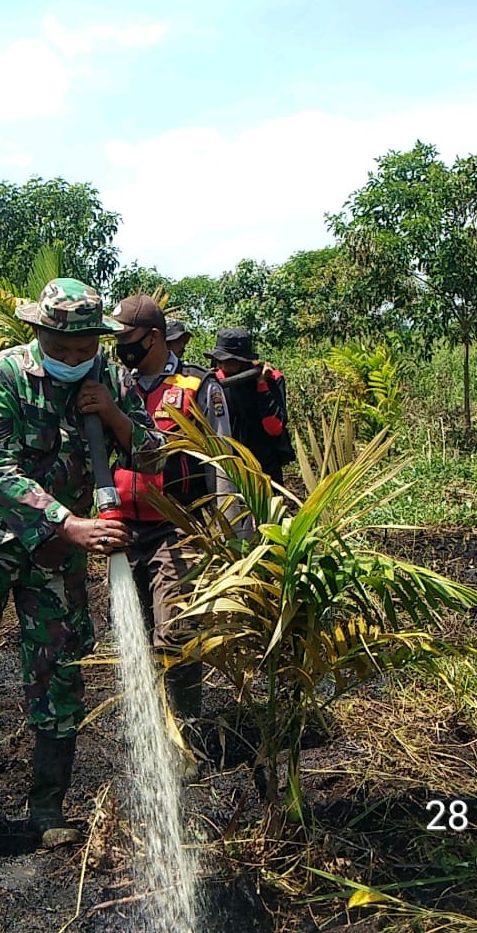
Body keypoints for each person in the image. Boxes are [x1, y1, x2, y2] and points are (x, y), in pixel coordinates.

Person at [0, 278, 162, 846]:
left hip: (54, 557)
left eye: (84, 350)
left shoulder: (114, 378)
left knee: (58, 674)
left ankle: (47, 807)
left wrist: (116, 417)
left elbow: (152, 453)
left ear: (100, 340)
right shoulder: (2, 376)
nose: (73, 360)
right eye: (61, 349)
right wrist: (69, 522)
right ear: (39, 333)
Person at [109, 296, 235, 772]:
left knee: (177, 631)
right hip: (120, 528)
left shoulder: (198, 387)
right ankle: (149, 730)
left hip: (176, 527)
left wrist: (227, 535)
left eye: (128, 343)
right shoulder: (112, 387)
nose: (122, 351)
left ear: (155, 339)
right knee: (133, 634)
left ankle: (186, 737)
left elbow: (222, 462)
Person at [206, 328, 291, 482]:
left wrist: (262, 386)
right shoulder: (212, 383)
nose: (222, 365)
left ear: (242, 360)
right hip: (227, 468)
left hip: (263, 469)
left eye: (227, 361)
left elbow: (274, 428)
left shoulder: (272, 379)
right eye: (219, 360)